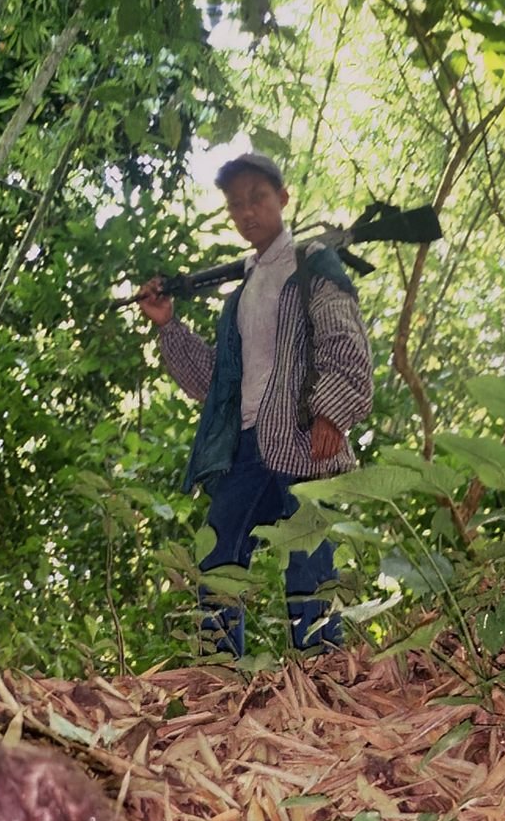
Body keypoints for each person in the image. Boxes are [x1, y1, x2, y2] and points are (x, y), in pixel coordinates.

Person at [138, 151, 373, 656]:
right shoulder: (240, 293)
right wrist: (167, 325)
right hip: (248, 445)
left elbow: (344, 338)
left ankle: (323, 672)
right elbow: (214, 382)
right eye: (237, 204)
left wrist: (332, 411)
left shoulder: (313, 264)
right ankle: (221, 675)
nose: (248, 212)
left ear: (282, 199)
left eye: (258, 199)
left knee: (309, 557)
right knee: (219, 552)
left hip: (306, 437)